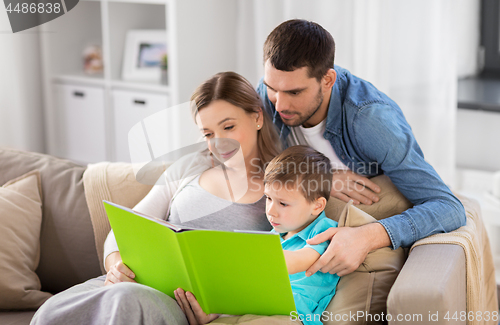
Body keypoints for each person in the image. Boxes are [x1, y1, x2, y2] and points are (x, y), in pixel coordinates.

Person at [30, 71, 282, 325]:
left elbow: (277, 275)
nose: (218, 143)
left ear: (257, 117)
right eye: (208, 134)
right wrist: (116, 265)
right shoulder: (192, 165)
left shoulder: (281, 187)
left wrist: (221, 311)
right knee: (50, 312)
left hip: (172, 304)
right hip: (135, 283)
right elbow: (126, 226)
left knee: (126, 301)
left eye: (228, 127)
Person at [256, 19, 466, 278]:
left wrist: (367, 237)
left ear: (328, 79)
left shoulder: (371, 119)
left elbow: (448, 206)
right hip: (290, 237)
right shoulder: (270, 93)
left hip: (344, 243)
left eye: (295, 93)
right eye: (272, 89)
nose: (278, 105)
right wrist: (321, 178)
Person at [174, 145, 340, 325]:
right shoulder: (275, 234)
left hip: (291, 314)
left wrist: (245, 257)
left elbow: (297, 261)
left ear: (317, 206)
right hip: (259, 307)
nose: (271, 211)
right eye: (268, 198)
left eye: (283, 203)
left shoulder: (325, 231)